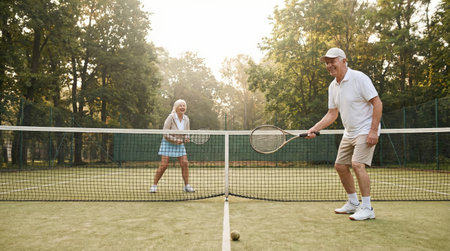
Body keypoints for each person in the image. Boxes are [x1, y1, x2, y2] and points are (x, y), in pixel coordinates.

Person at [306, 48, 382, 220]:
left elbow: (377, 104)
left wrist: (373, 130)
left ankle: (367, 208)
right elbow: (332, 114)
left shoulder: (359, 78)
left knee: (357, 164)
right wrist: (315, 128)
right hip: (350, 132)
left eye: (332, 61)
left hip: (365, 129)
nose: (329, 65)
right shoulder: (333, 86)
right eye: (327, 62)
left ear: (344, 61)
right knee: (340, 166)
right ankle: (353, 203)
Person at [150, 99, 195, 193]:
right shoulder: (171, 117)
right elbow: (165, 133)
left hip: (179, 144)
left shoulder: (186, 119)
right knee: (164, 165)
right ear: (176, 107)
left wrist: (186, 137)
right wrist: (175, 140)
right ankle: (154, 185)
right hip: (167, 143)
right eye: (180, 106)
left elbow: (187, 132)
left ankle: (187, 186)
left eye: (184, 106)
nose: (182, 107)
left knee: (185, 163)